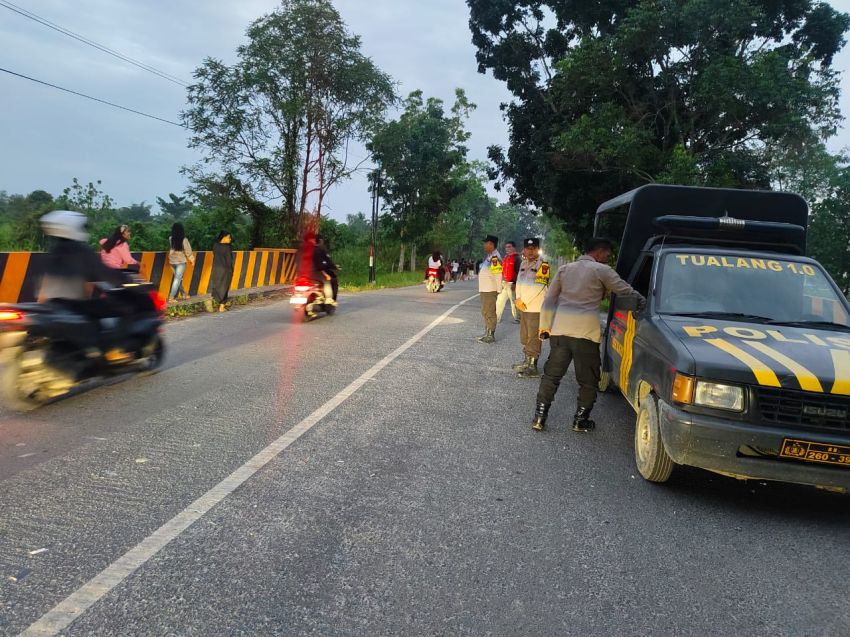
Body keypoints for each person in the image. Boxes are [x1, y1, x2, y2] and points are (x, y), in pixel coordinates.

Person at [532, 237, 644, 433]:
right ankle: (580, 420)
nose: (608, 258)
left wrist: (545, 327)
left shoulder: (565, 269)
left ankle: (539, 417)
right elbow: (625, 290)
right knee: (588, 380)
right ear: (599, 252)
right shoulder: (602, 270)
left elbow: (549, 299)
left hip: (560, 332)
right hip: (586, 334)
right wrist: (644, 302)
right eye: (607, 254)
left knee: (551, 376)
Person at [37, 210, 131, 361]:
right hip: (74, 304)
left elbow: (45, 282)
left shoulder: (55, 251)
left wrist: (41, 305)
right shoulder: (81, 251)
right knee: (118, 309)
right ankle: (112, 350)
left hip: (53, 305)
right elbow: (100, 273)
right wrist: (126, 278)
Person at [513, 238, 550, 378]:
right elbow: (519, 282)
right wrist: (518, 299)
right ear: (524, 250)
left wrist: (524, 301)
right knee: (525, 335)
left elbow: (539, 286)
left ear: (538, 250)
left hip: (535, 307)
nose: (530, 251)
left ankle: (533, 366)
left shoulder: (543, 265)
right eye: (528, 248)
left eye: (533, 248)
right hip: (523, 306)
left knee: (534, 336)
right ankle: (527, 361)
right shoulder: (523, 263)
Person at [477, 235, 502, 343]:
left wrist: (498, 290)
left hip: (490, 289)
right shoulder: (490, 256)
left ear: (491, 244)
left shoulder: (494, 257)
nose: (484, 245)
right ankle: (487, 332)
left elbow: (498, 275)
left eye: (486, 243)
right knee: (485, 311)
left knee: (490, 311)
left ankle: (491, 335)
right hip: (485, 289)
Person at [168, 223, 194, 302]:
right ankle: (171, 298)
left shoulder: (170, 238)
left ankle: (184, 294)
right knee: (177, 279)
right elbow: (188, 251)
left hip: (172, 261)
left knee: (178, 279)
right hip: (180, 262)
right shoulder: (184, 240)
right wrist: (192, 260)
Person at [496, 241, 520, 324]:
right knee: (499, 301)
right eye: (506, 247)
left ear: (514, 248)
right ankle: (497, 318)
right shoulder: (506, 258)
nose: (507, 249)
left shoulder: (517, 258)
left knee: (514, 302)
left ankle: (518, 318)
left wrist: (515, 283)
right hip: (504, 283)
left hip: (512, 284)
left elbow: (519, 272)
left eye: (509, 247)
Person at [211, 231, 235, 312]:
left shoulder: (215, 245)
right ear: (224, 237)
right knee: (225, 287)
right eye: (229, 237)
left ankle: (218, 301)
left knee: (217, 286)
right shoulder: (228, 247)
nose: (230, 239)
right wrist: (231, 270)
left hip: (216, 269)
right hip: (226, 270)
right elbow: (229, 260)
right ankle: (222, 307)